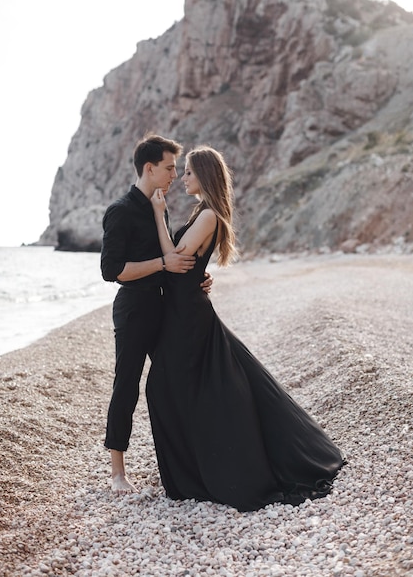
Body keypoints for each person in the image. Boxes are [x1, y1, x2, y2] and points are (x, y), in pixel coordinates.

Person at [147, 145, 346, 512]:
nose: (183, 178)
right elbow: (188, 266)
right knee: (194, 386)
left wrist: (159, 216)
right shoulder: (201, 213)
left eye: (189, 172)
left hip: (187, 316)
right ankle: (195, 470)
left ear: (204, 175)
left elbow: (175, 262)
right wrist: (197, 275)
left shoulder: (208, 216)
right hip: (183, 311)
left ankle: (208, 472)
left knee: (175, 387)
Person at [100, 133, 212, 493]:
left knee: (171, 381)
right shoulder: (120, 210)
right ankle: (118, 471)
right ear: (149, 168)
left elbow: (175, 256)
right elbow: (112, 270)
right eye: (168, 168)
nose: (174, 175)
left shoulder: (157, 207)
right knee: (127, 384)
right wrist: (164, 262)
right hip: (134, 309)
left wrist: (196, 275)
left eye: (176, 168)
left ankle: (184, 461)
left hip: (165, 308)